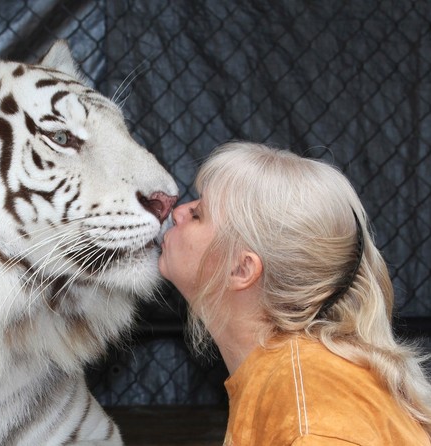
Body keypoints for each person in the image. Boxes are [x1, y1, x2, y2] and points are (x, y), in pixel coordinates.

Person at [159, 141, 431, 445]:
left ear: (242, 269)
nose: (178, 212)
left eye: (198, 214)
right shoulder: (297, 376)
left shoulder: (311, 421)